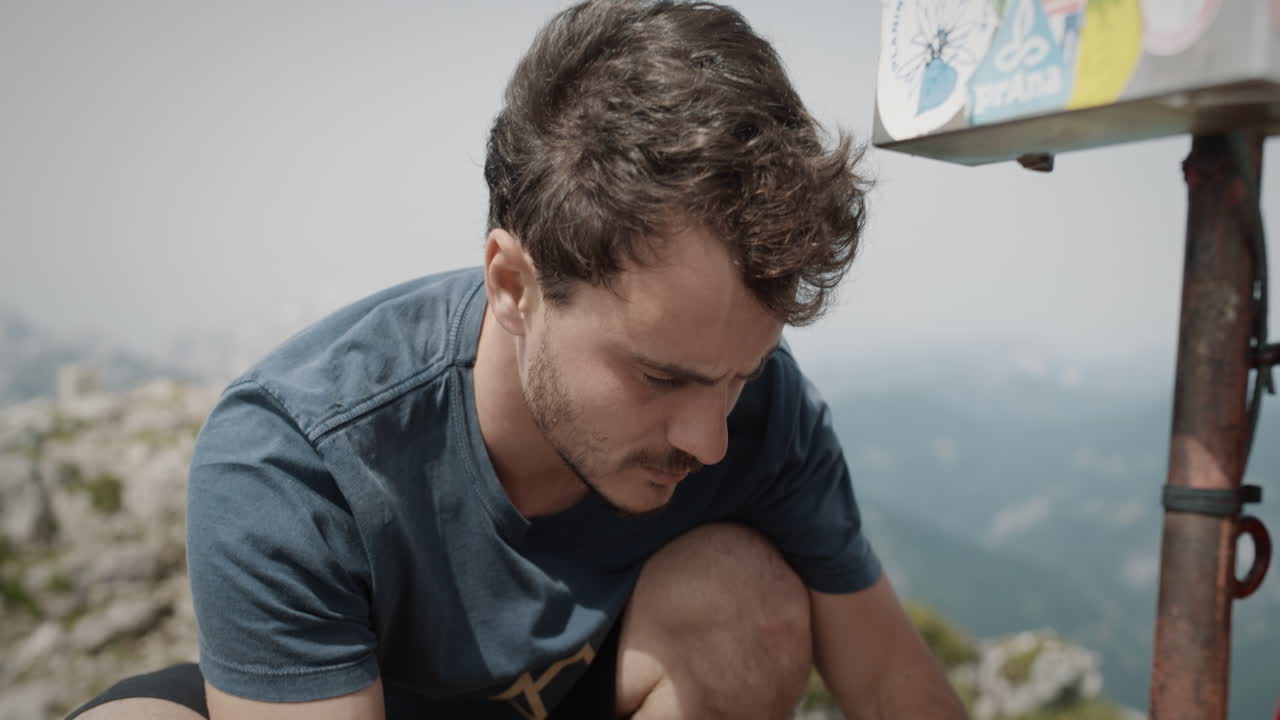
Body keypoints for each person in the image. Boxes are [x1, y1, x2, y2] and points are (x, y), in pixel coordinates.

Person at [71, 1, 966, 718]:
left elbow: (891, 683)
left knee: (751, 606)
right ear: (512, 282)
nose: (711, 437)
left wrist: (720, 383)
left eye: (738, 374)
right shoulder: (294, 461)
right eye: (662, 376)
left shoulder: (764, 412)